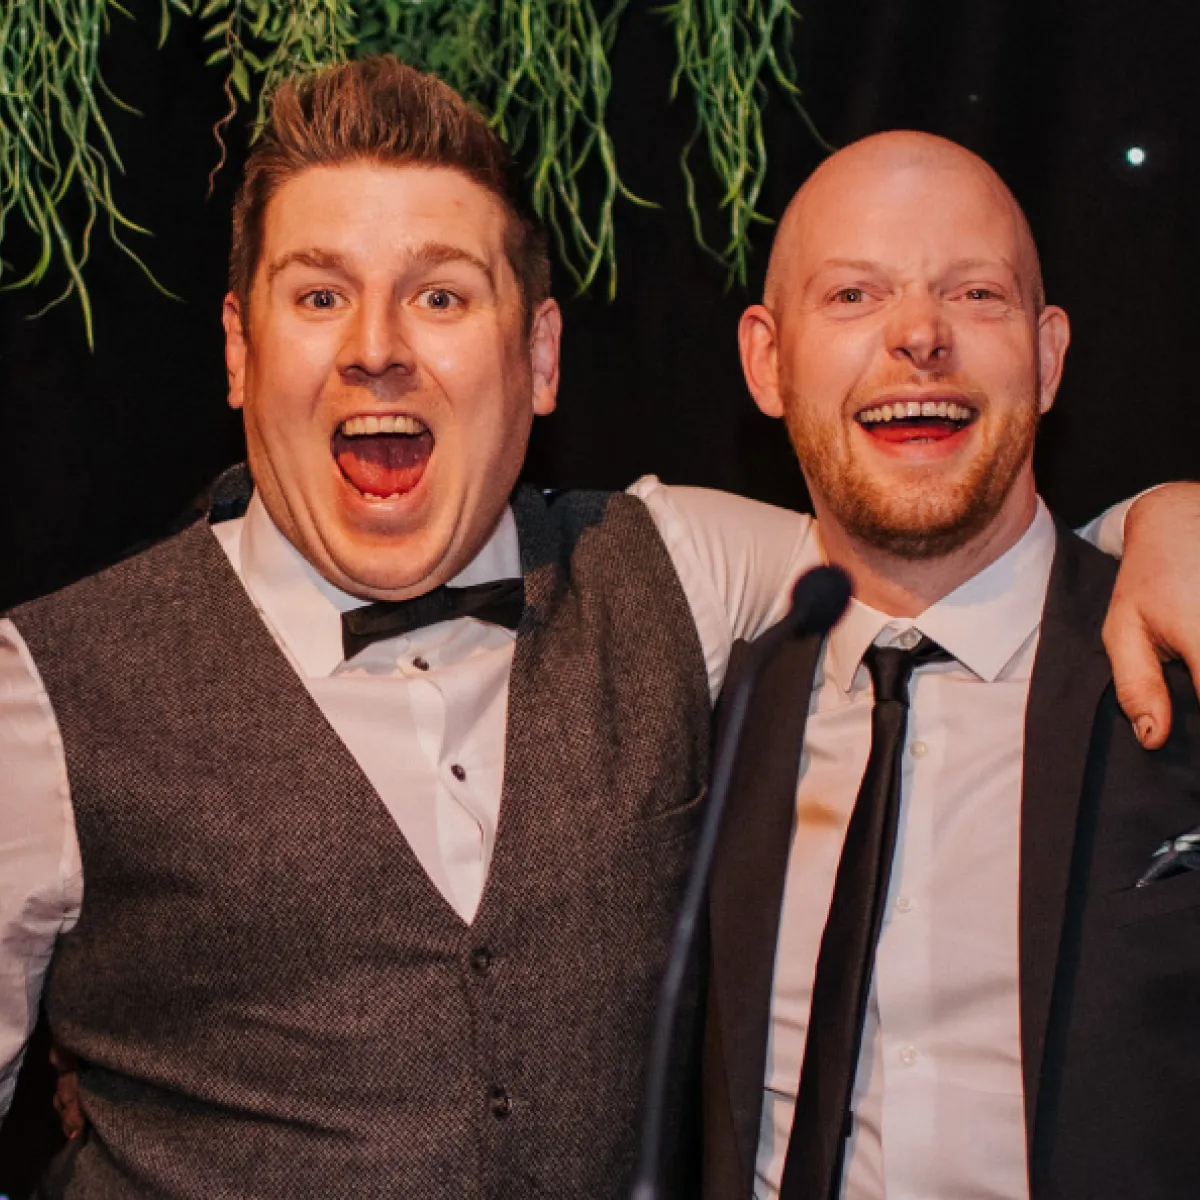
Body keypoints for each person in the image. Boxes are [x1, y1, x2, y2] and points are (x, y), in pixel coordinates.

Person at [0, 59, 1196, 1197]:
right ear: (237, 350)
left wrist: (1161, 522)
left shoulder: (676, 567)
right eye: (319, 296)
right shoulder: (47, 692)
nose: (376, 348)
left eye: (440, 296)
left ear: (541, 356)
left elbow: (933, 533)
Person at [701, 130, 1200, 1200]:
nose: (919, 335)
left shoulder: (1183, 658)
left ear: (1048, 352)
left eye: (973, 294)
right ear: (767, 359)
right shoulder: (703, 708)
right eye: (852, 297)